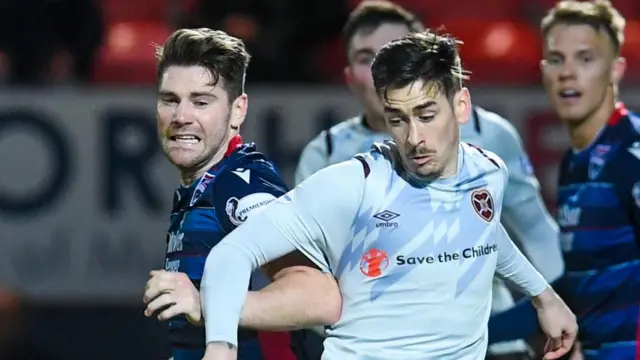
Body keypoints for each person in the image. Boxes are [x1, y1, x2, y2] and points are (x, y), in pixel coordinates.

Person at [199, 30, 577, 360]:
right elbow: (234, 251)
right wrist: (220, 346)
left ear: (461, 106)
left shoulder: (488, 171)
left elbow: (483, 230)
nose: (413, 138)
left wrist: (544, 296)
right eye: (397, 119)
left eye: (427, 115)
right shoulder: (355, 185)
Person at [295, 2, 564, 358]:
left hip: (492, 344)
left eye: (396, 51)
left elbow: (534, 232)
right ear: (348, 77)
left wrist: (560, 303)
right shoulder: (327, 154)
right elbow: (308, 272)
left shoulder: (490, 135)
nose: (385, 68)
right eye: (366, 58)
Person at [141, 28, 342, 360]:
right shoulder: (201, 187)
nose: (181, 117)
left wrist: (206, 304)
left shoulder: (242, 183)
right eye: (170, 100)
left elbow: (319, 296)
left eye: (201, 102)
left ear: (238, 110)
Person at [488, 1, 640, 359]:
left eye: (585, 59)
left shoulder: (630, 156)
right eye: (556, 59)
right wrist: (476, 332)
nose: (568, 73)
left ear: (616, 69)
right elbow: (581, 284)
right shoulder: (576, 163)